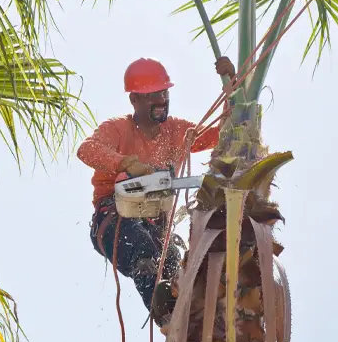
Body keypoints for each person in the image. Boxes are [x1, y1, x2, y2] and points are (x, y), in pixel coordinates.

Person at [76, 56, 236, 328]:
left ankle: (197, 323)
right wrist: (125, 163)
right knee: (142, 249)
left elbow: (222, 135)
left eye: (164, 93)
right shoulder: (118, 129)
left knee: (177, 263)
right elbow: (86, 149)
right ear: (134, 100)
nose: (161, 101)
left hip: (155, 226)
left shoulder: (176, 131)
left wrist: (231, 90)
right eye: (152, 96)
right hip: (115, 220)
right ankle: (169, 320)